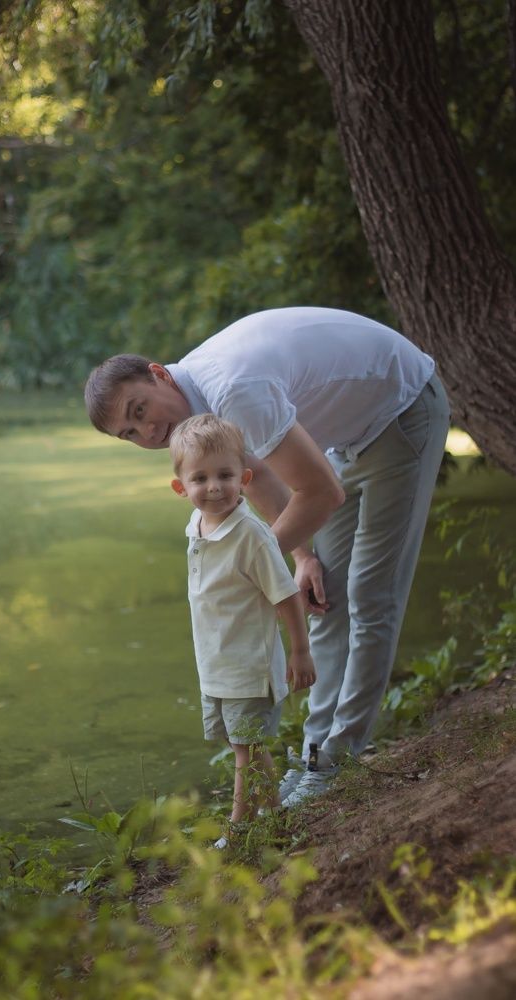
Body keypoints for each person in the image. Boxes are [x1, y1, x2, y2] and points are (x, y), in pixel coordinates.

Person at [84, 307, 451, 805]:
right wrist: (300, 557)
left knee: (370, 594)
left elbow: (321, 493)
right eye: (129, 434)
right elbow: (258, 478)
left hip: (402, 410)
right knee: (325, 596)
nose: (146, 434)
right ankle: (313, 756)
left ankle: (333, 763)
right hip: (342, 440)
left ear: (158, 375)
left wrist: (249, 563)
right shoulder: (203, 413)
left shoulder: (233, 389)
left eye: (139, 411)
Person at [168, 414, 315, 845]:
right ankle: (274, 819)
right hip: (217, 664)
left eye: (225, 475)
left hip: (248, 666)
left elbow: (286, 595)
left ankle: (239, 828)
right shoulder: (197, 527)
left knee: (246, 749)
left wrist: (300, 651)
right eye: (200, 478)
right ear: (181, 487)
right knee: (245, 748)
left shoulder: (252, 536)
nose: (213, 486)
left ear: (245, 478)